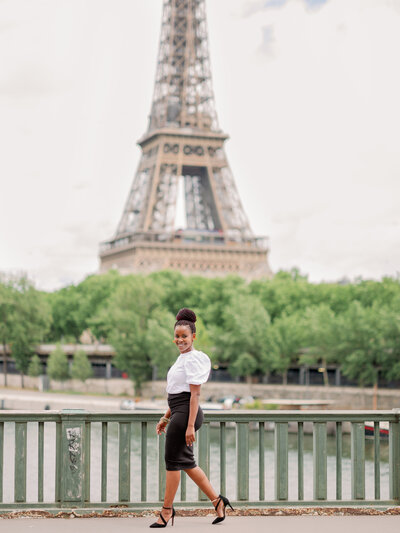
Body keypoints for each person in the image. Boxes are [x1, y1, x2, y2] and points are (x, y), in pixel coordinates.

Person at [150, 308, 233, 528]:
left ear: (193, 337)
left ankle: (166, 511)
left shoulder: (194, 359)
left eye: (184, 336)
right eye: (177, 336)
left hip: (187, 415)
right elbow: (176, 395)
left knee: (172, 463)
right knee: (186, 463)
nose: (180, 340)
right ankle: (218, 502)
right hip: (178, 413)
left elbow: (194, 395)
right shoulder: (181, 359)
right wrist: (165, 418)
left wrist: (188, 427)